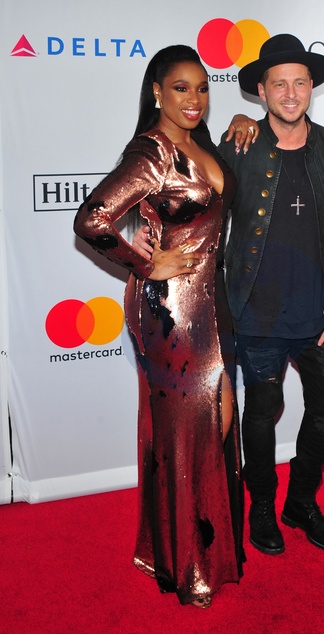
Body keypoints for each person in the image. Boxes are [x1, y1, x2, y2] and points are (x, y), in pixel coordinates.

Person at [134, 34, 324, 558]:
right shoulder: (238, 145)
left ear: (312, 87)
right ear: (261, 91)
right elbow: (192, 196)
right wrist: (150, 238)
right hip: (257, 312)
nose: (290, 93)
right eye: (279, 84)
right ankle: (262, 505)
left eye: (299, 82)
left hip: (323, 312)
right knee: (260, 413)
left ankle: (300, 503)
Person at [74, 45, 257, 608]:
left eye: (202, 88)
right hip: (171, 312)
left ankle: (206, 549)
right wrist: (145, 264)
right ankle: (187, 564)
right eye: (181, 88)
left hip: (212, 301)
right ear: (157, 91)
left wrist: (243, 121)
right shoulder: (152, 152)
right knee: (187, 429)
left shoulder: (200, 143)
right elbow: (92, 219)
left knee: (219, 420)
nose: (194, 98)